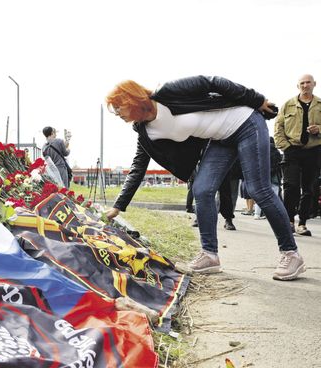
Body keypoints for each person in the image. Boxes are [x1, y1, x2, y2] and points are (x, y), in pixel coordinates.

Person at [105, 76, 306, 281]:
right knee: (201, 189)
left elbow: (213, 82)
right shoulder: (146, 133)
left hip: (245, 123)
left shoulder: (168, 93)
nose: (117, 114)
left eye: (118, 108)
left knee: (258, 189)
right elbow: (138, 167)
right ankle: (210, 255)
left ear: (131, 99)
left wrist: (256, 100)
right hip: (221, 140)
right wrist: (118, 206)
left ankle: (291, 254)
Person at [274, 74, 321, 236]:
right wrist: (285, 147)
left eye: (308, 82)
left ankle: (302, 223)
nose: (305, 85)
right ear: (298, 86)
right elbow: (278, 128)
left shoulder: (320, 104)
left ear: (314, 84)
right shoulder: (288, 105)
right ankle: (289, 221)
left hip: (313, 151)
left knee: (308, 188)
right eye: (302, 83)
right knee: (290, 186)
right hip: (291, 150)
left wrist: (319, 130)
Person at [254, 137, 283, 219]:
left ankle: (257, 213)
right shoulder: (276, 151)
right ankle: (273, 214)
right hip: (274, 176)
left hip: (263, 176)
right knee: (274, 196)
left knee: (260, 195)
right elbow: (279, 165)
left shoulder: (261, 150)